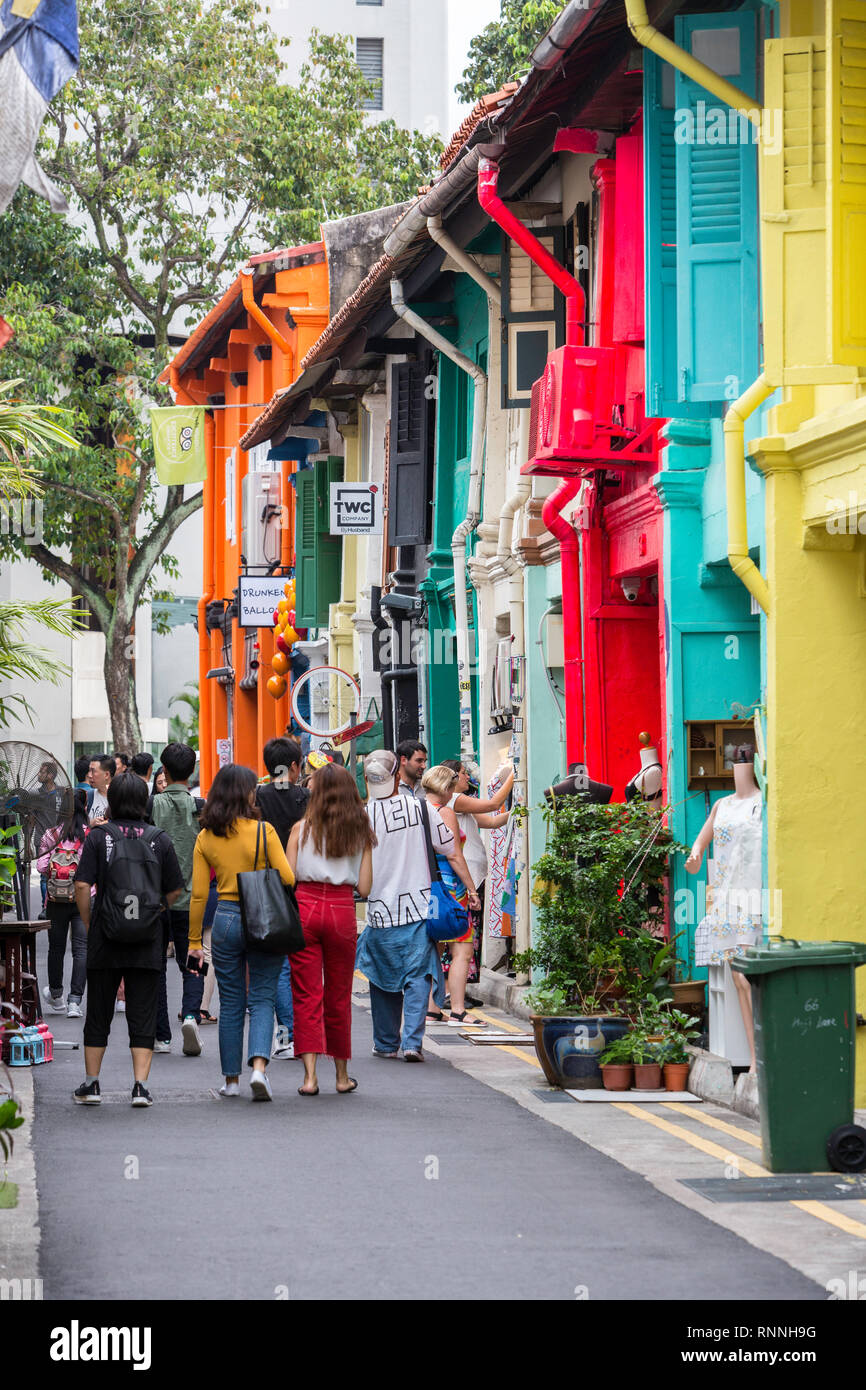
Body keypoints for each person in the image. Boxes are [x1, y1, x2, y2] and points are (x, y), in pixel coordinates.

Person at [72, 772, 185, 1107]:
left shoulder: (99, 837)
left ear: (114, 800)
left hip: (105, 938)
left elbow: (81, 886)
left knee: (98, 1012)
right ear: (144, 801)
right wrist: (155, 910)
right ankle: (140, 1087)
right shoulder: (159, 839)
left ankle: (92, 1085)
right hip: (147, 938)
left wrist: (91, 920)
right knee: (143, 1011)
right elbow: (176, 889)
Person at [356, 750, 475, 1062]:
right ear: (397, 776)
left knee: (382, 979)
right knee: (418, 975)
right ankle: (411, 1042)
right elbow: (450, 849)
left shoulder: (362, 815)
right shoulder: (421, 808)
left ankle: (385, 1043)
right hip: (419, 908)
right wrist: (471, 889)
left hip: (380, 912)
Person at [190, 764, 295, 1101]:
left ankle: (231, 1081)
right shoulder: (264, 832)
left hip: (225, 918)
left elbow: (199, 894)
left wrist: (194, 941)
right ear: (246, 793)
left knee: (231, 1002)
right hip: (262, 918)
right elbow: (289, 878)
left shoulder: (206, 836)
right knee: (262, 996)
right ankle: (259, 1070)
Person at [286, 764, 375, 1096]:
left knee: (307, 994)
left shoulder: (300, 829)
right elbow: (365, 888)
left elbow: (287, 875)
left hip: (305, 907)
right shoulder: (361, 831)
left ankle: (309, 1078)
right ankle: (341, 1075)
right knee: (338, 995)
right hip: (341, 911)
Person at [255, 737, 310, 1062]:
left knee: (278, 965)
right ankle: (300, 1031)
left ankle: (285, 1034)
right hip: (303, 884)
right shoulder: (306, 797)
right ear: (293, 767)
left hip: (265, 885)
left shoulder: (258, 797)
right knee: (303, 961)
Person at [150, 743, 205, 1058]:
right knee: (193, 961)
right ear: (192, 773)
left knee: (156, 966)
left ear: (164, 772)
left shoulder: (151, 805)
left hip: (155, 901)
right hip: (193, 900)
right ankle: (189, 1016)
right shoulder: (201, 807)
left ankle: (161, 1036)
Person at [421, 765, 485, 1026]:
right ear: (446, 788)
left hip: (427, 887)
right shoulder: (445, 812)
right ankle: (458, 1008)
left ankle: (432, 1008)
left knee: (433, 947)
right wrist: (472, 890)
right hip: (451, 889)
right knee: (462, 948)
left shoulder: (418, 809)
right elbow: (454, 854)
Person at [37, 789, 89, 1018]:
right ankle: (75, 1002)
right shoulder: (88, 834)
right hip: (83, 898)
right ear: (83, 808)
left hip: (55, 900)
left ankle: (56, 994)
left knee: (56, 948)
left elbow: (40, 867)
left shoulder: (51, 834)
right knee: (81, 949)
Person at [88, 756, 115, 824]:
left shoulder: (121, 799)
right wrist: (90, 824)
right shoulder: (88, 797)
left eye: (93, 771)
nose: (89, 775)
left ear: (106, 775)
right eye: (89, 770)